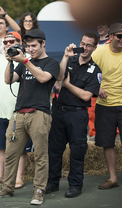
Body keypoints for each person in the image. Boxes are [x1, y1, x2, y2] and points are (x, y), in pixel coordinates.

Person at [0, 29, 60, 205]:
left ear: (43, 43)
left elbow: (44, 78)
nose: (30, 49)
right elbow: (8, 80)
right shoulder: (23, 62)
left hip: (40, 113)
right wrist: (10, 62)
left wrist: (26, 60)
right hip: (19, 114)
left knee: (40, 155)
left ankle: (38, 191)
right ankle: (7, 187)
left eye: (34, 46)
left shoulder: (51, 62)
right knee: (11, 154)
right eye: (28, 46)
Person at [46, 32, 101, 198]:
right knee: (54, 150)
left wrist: (68, 85)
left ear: (95, 47)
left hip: (77, 115)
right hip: (59, 111)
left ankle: (75, 186)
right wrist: (65, 56)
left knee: (77, 152)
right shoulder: (70, 60)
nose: (84, 48)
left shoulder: (95, 70)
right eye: (82, 43)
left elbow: (86, 96)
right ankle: (52, 182)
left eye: (89, 45)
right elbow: (59, 77)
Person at [0, 31, 32, 188]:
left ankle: (19, 177)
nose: (7, 44)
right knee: (1, 146)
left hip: (20, 109)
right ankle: (2, 174)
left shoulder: (27, 59)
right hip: (0, 110)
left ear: (19, 42)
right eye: (5, 42)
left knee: (21, 146)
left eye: (11, 41)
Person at [92, 23, 122, 190]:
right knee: (107, 142)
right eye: (119, 36)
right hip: (105, 105)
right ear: (111, 36)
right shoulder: (100, 51)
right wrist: (97, 87)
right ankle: (112, 178)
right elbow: (89, 70)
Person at [88, 23, 111, 141]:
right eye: (98, 24)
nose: (100, 26)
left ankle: (113, 136)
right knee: (92, 112)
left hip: (110, 85)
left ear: (109, 26)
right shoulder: (92, 42)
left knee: (109, 115)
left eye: (103, 24)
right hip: (93, 83)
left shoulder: (115, 42)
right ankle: (93, 135)